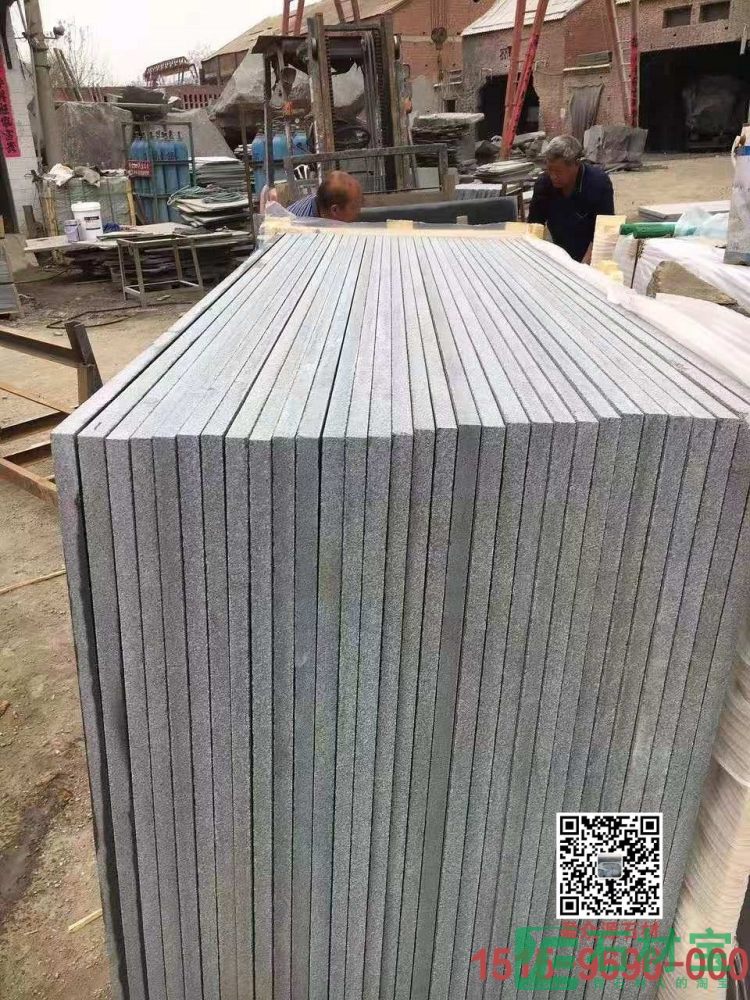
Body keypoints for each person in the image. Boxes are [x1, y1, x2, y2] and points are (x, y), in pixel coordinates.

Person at [528, 135, 614, 264]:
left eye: (558, 171)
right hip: (559, 254)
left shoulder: (599, 183)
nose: (553, 176)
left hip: (590, 254)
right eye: (550, 170)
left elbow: (604, 231)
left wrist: (583, 267)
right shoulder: (544, 184)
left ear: (576, 164)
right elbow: (534, 227)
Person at [287, 170, 364, 222]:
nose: (359, 211)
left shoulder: (321, 204)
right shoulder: (304, 227)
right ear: (335, 210)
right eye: (355, 206)